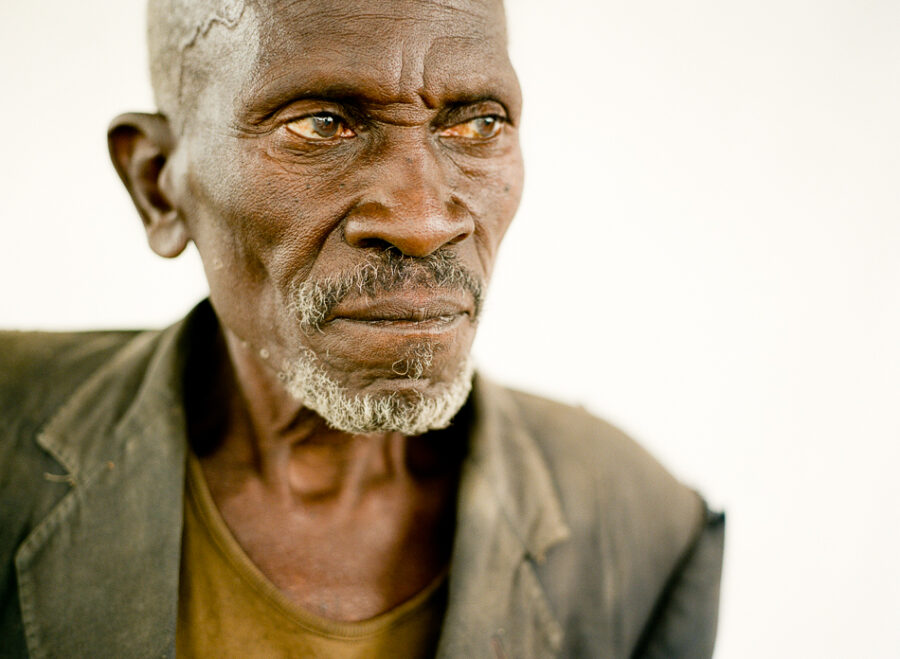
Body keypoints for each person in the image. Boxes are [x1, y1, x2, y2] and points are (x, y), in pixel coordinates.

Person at [0, 0, 724, 656]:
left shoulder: (642, 528)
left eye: (478, 123)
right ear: (160, 184)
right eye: (320, 123)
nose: (422, 220)